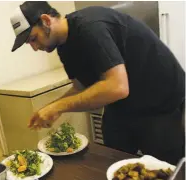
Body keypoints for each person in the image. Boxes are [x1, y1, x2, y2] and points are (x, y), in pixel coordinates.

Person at [10, 2, 185, 164]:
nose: (34, 47)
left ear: (46, 21)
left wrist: (58, 107)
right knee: (112, 161)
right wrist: (51, 107)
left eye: (33, 39)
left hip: (160, 103)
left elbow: (117, 87)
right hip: (124, 106)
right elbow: (81, 88)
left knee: (163, 174)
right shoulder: (64, 47)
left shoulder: (91, 27)